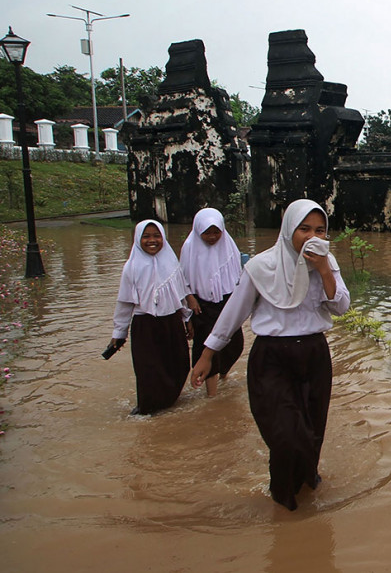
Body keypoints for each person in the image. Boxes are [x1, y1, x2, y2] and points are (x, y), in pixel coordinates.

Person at [191, 199, 350, 510]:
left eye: (319, 230)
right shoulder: (260, 267)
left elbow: (341, 306)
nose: (312, 237)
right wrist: (208, 354)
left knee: (312, 429)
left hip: (314, 355)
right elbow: (233, 314)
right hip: (272, 359)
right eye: (304, 229)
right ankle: (282, 496)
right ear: (289, 229)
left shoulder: (326, 263)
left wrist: (324, 269)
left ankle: (305, 486)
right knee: (287, 435)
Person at [107, 220, 193, 415]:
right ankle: (146, 409)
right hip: (145, 325)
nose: (152, 240)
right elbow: (124, 302)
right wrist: (119, 332)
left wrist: (187, 320)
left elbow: (180, 295)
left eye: (157, 236)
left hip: (171, 322)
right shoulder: (132, 267)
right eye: (146, 236)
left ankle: (169, 401)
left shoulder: (172, 263)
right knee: (148, 369)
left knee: (178, 364)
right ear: (138, 239)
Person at [179, 208, 244, 397]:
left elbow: (238, 274)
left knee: (235, 344)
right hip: (202, 306)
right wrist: (189, 298)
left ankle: (224, 374)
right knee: (206, 347)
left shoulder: (228, 245)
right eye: (207, 232)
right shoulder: (190, 247)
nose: (212, 237)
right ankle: (212, 395)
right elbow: (180, 278)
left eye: (216, 232)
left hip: (227, 301)